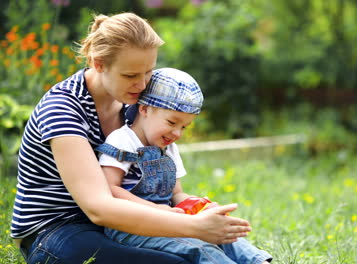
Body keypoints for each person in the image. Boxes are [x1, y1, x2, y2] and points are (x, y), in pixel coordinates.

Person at [11, 12, 252, 264]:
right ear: (99, 63)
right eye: (130, 75)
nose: (142, 84)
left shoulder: (134, 107)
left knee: (207, 250)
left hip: (120, 224)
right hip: (58, 232)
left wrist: (194, 212)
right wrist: (191, 226)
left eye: (148, 72)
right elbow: (99, 208)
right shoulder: (63, 109)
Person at [95, 67, 272, 264]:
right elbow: (110, 189)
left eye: (184, 127)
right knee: (200, 248)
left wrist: (198, 206)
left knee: (225, 236)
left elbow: (176, 194)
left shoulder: (168, 147)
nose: (177, 133)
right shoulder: (122, 141)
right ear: (144, 109)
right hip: (131, 227)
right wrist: (156, 209)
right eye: (172, 122)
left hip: (170, 221)